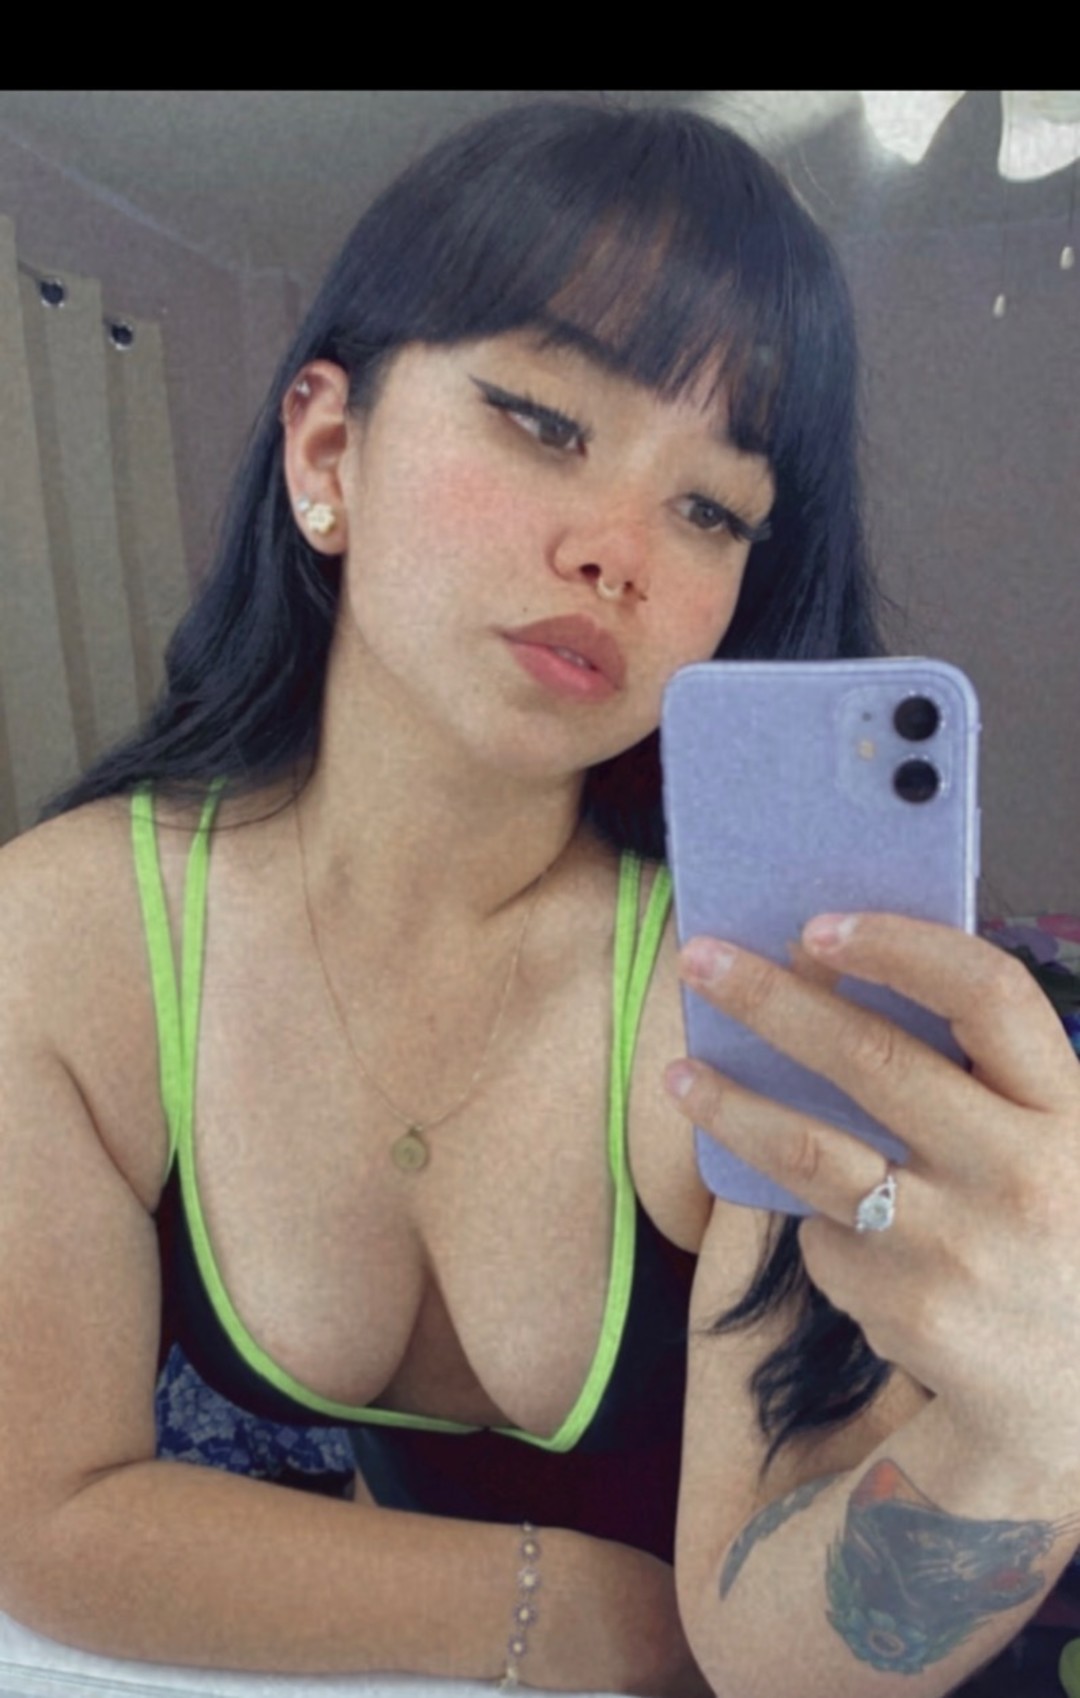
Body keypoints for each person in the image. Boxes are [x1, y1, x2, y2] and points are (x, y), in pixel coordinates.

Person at [0, 99, 1077, 1698]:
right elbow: (51, 1516)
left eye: (711, 508)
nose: (619, 552)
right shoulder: (67, 939)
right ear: (327, 452)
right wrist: (572, 1607)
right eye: (543, 421)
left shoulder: (743, 984)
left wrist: (1035, 1435)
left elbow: (780, 1656)